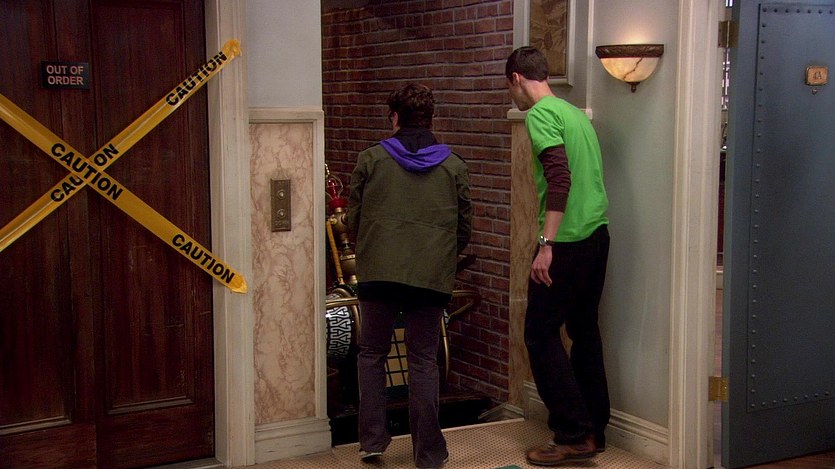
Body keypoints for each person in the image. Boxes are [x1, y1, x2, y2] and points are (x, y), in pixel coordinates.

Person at [345, 83, 472, 469]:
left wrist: (370, 249)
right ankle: (428, 453)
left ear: (395, 118)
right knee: (422, 360)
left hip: (379, 271)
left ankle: (372, 441)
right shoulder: (453, 166)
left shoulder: (371, 160)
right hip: (430, 275)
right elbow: (464, 227)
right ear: (431, 120)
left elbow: (353, 219)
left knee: (372, 354)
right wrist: (441, 256)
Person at [505, 46, 611, 466]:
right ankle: (593, 429)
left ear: (516, 79)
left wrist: (546, 244)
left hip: (566, 241)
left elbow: (559, 178)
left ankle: (571, 433)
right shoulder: (575, 115)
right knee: (584, 330)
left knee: (539, 333)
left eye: (510, 87)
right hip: (597, 235)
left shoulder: (540, 114)